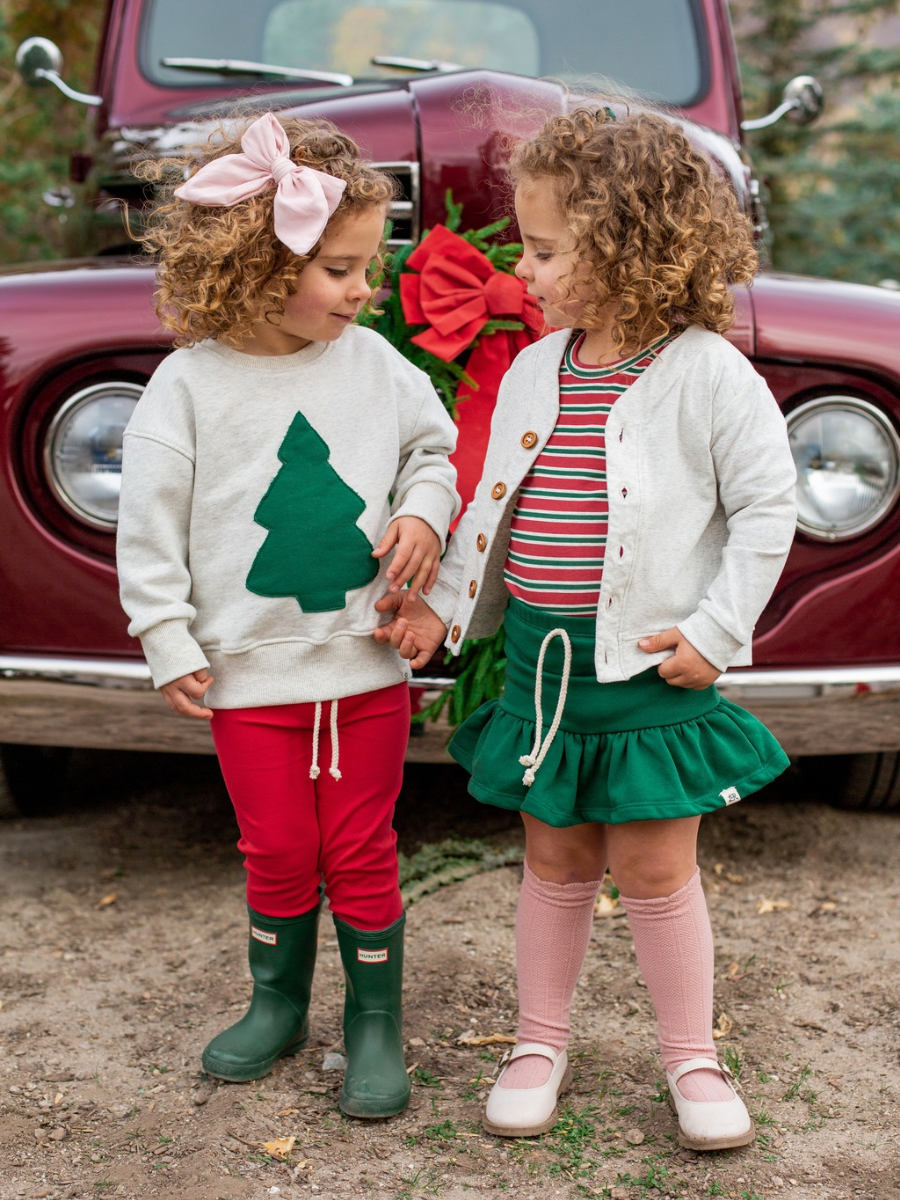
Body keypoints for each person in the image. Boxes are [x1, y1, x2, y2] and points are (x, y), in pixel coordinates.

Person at [373, 105, 797, 1150]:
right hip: (540, 671)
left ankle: (691, 1060)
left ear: (631, 245)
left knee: (656, 872)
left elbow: (768, 509)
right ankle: (538, 1040)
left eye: (553, 248)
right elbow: (493, 507)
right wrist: (441, 606)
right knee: (554, 861)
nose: (532, 269)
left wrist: (717, 627)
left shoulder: (707, 374)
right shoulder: (535, 366)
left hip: (649, 678)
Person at [117, 111, 459, 1119]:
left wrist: (420, 515)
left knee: (359, 847)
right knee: (275, 847)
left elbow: (432, 453)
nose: (367, 290)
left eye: (369, 266)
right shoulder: (187, 388)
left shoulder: (375, 367)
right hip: (248, 676)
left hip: (364, 665)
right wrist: (166, 635)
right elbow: (149, 528)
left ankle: (373, 1020)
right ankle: (277, 1003)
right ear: (261, 267)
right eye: (342, 270)